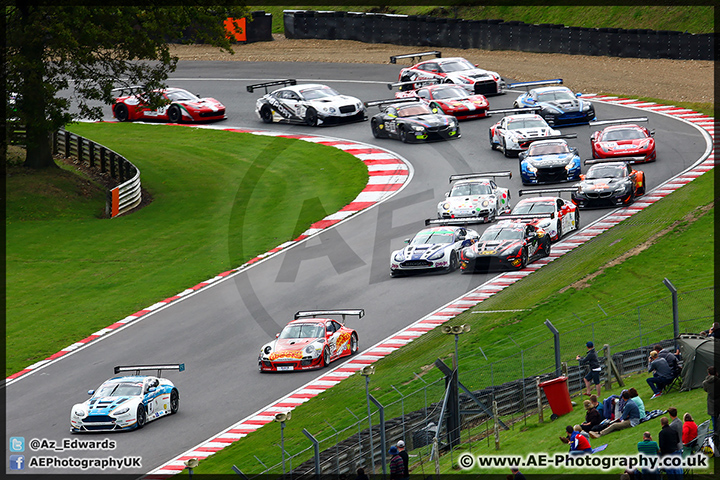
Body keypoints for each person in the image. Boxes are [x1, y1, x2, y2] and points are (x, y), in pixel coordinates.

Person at [702, 365, 719, 432]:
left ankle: (716, 435)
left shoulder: (705, 383)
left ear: (708, 373)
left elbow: (706, 390)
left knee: (714, 422)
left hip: (712, 403)